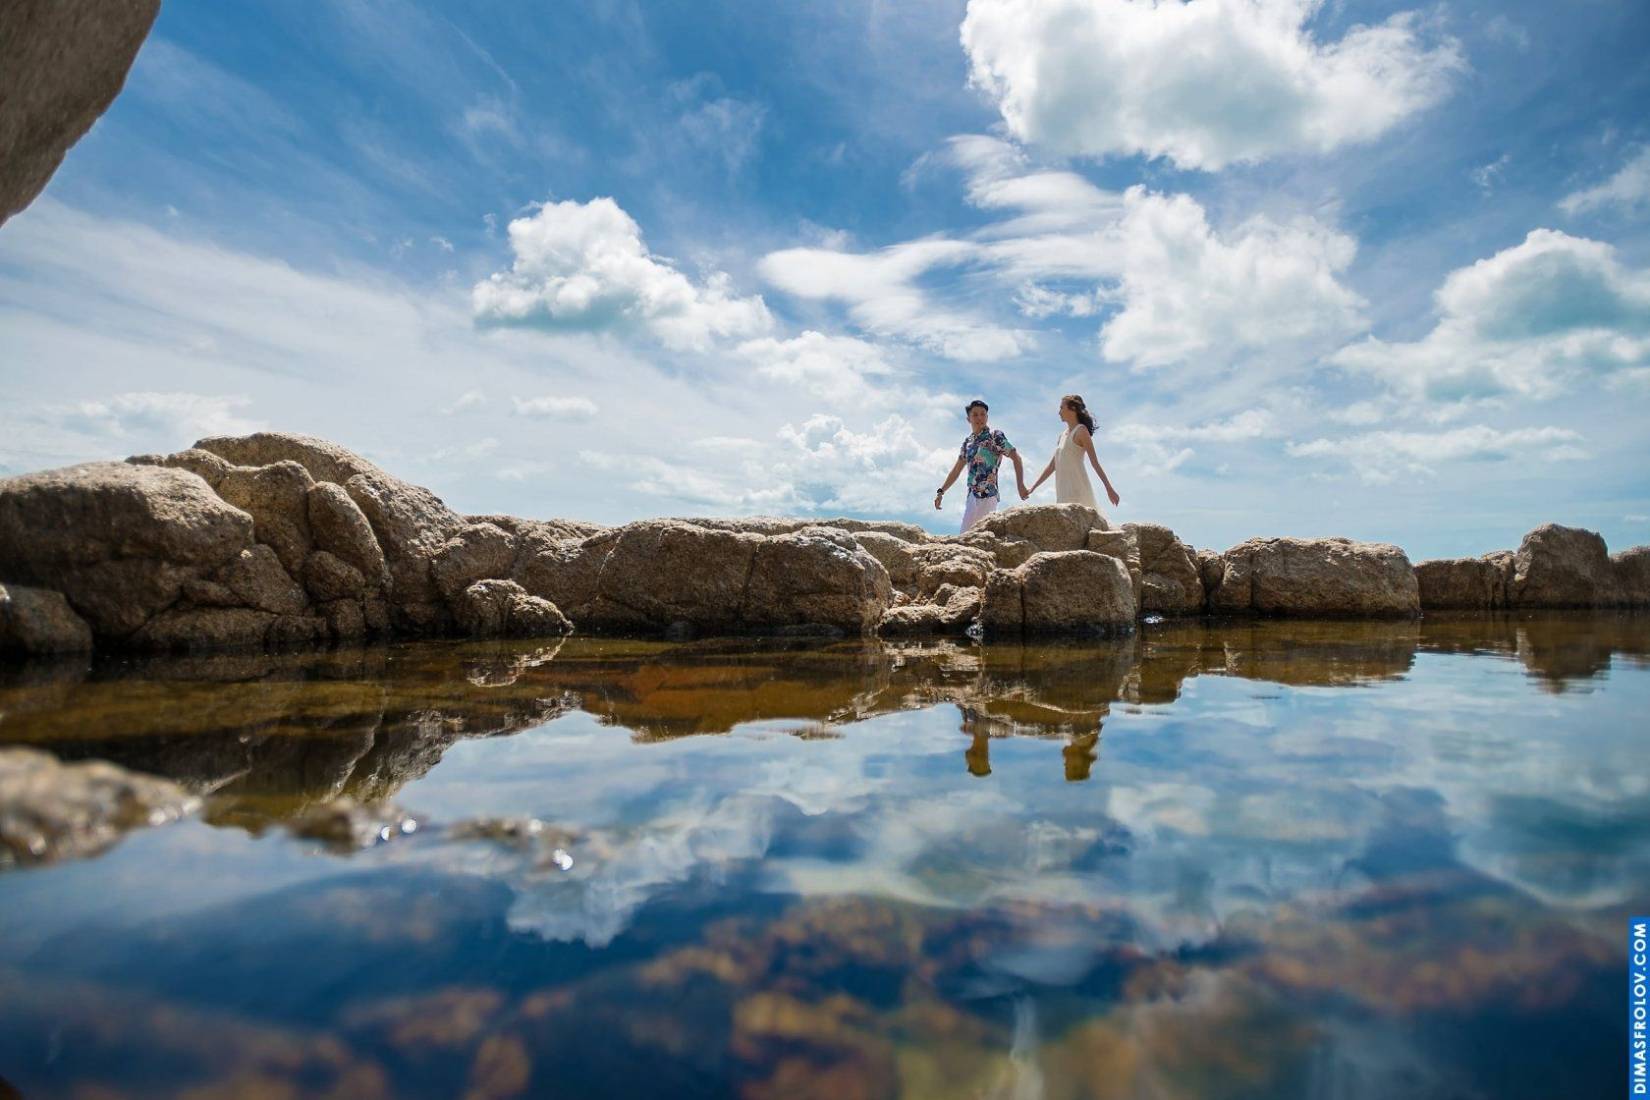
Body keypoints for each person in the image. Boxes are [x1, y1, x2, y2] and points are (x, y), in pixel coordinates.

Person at [934, 399, 1026, 532]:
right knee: (965, 537)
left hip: (988, 495)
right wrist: (941, 491)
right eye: (975, 415)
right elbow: (956, 470)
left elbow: (1016, 457)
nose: (979, 418)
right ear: (968, 419)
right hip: (971, 496)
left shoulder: (995, 436)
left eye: (983, 414)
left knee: (977, 537)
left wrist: (1020, 485)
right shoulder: (968, 443)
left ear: (987, 417)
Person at [1023, 394, 1121, 515]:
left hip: (1078, 490)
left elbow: (1095, 463)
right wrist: (1033, 488)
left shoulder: (1081, 431)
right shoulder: (1062, 436)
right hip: (1063, 491)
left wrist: (1109, 488)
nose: (1059, 412)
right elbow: (1052, 466)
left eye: (1061, 408)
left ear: (1073, 409)